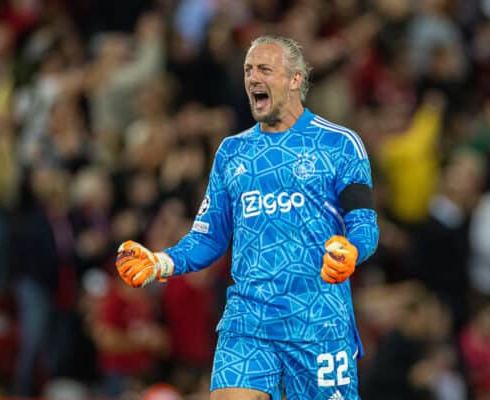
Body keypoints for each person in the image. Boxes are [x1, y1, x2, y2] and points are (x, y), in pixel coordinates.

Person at [115, 35, 379, 400]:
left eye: (265, 69)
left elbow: (365, 226)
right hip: (249, 320)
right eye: (248, 70)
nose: (253, 78)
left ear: (295, 79)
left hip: (318, 321)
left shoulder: (340, 144)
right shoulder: (232, 152)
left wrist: (350, 250)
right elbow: (208, 238)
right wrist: (161, 262)